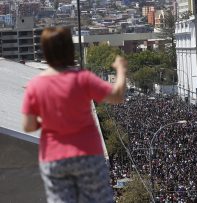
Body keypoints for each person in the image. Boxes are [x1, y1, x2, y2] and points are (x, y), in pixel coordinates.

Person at [21, 27, 127, 203]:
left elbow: (28, 126)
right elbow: (117, 96)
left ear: (45, 51)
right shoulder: (82, 79)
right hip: (88, 154)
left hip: (54, 157)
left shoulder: (35, 85)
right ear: (69, 49)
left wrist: (47, 120)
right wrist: (121, 70)